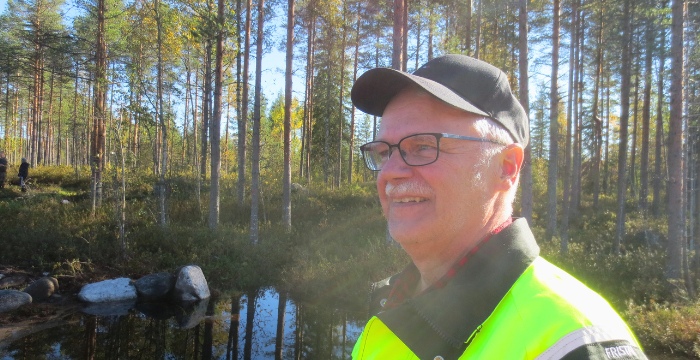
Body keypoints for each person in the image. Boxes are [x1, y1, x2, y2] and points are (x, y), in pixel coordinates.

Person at [350, 55, 647, 360]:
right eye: (384, 152)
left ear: (506, 167)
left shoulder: (572, 341)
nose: (390, 172)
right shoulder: (393, 303)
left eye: (424, 146)